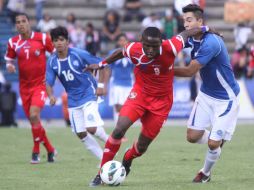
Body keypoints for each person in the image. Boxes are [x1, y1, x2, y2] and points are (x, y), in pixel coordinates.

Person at [87, 25, 211, 186]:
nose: (150, 50)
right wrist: (102, 63)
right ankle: (101, 173)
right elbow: (120, 52)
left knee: (142, 146)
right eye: (147, 46)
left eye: (154, 46)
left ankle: (128, 157)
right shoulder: (134, 49)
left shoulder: (171, 46)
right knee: (119, 129)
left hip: (162, 103)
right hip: (139, 95)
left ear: (161, 42)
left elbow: (187, 32)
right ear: (141, 42)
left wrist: (207, 28)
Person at [174, 4, 240, 183]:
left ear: (199, 21)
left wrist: (163, 70)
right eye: (184, 21)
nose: (186, 25)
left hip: (226, 98)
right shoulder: (193, 37)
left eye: (189, 20)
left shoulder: (211, 42)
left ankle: (205, 173)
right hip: (205, 95)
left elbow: (189, 72)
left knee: (212, 144)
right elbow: (173, 44)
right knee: (192, 137)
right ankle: (217, 138)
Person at [46, 26, 109, 162]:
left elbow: (102, 64)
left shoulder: (79, 54)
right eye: (56, 40)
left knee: (91, 128)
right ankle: (105, 160)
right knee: (80, 133)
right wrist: (51, 96)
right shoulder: (52, 61)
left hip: (89, 93)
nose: (59, 43)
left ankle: (111, 141)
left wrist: (101, 85)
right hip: (73, 100)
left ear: (68, 41)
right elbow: (48, 82)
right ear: (52, 43)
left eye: (62, 39)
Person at [5, 13, 56, 164]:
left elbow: (54, 54)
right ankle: (50, 149)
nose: (20, 24)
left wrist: (53, 75)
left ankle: (36, 151)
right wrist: (9, 66)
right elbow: (9, 59)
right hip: (24, 87)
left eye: (23, 21)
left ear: (29, 22)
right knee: (35, 122)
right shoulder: (13, 42)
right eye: (17, 22)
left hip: (40, 85)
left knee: (34, 116)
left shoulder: (42, 38)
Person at [108, 34, 134, 123]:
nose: (122, 42)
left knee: (127, 108)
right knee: (118, 107)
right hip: (116, 83)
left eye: (124, 40)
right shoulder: (113, 53)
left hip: (128, 83)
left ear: (127, 42)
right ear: (118, 42)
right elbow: (108, 69)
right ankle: (117, 130)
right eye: (121, 40)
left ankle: (122, 130)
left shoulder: (132, 53)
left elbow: (135, 69)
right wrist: (105, 84)